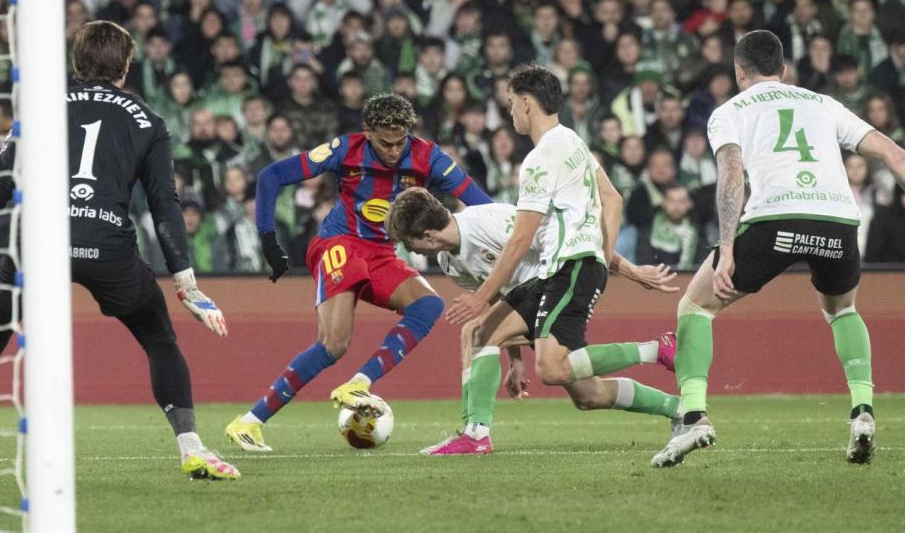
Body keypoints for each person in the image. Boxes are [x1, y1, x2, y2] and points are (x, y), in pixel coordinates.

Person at [0, 21, 238, 484]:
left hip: (36, 244)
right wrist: (185, 281)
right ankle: (191, 446)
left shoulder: (37, 112)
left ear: (76, 63)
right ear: (127, 66)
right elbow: (163, 204)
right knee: (159, 338)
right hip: (107, 245)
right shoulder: (148, 121)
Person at [651, 30, 905, 468]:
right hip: (837, 220)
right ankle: (862, 411)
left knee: (695, 308)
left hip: (775, 219)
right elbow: (894, 153)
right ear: (784, 70)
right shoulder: (824, 104)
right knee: (843, 311)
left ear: (738, 71)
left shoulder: (728, 111)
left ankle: (694, 417)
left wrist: (727, 247)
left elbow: (732, 174)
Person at [224, 93, 492, 452]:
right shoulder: (344, 149)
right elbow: (272, 176)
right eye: (385, 143)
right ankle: (249, 423)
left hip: (382, 251)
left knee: (428, 305)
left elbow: (482, 205)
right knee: (334, 344)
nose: (395, 150)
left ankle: (359, 384)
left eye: (400, 142)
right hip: (340, 243)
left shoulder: (430, 157)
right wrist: (268, 239)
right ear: (367, 132)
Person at [442, 64, 682, 454]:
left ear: (525, 102)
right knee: (485, 335)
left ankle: (656, 350)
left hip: (567, 269)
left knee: (552, 368)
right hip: (564, 269)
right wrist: (603, 259)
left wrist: (481, 295)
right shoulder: (572, 141)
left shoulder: (538, 160)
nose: (510, 113)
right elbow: (612, 199)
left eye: (509, 104)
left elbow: (520, 239)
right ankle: (475, 435)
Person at [386, 188, 681, 455]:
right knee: (588, 395)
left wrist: (632, 271)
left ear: (427, 234)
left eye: (408, 244)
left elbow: (569, 239)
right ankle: (678, 407)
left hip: (557, 283)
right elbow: (496, 301)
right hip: (530, 300)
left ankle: (475, 433)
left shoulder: (487, 222)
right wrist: (514, 360)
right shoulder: (449, 262)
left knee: (474, 332)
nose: (409, 252)